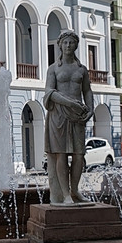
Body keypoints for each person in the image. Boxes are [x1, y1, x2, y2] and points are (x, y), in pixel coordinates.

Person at [44, 30, 94, 205]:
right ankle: (65, 194)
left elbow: (87, 91)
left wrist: (91, 108)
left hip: (78, 116)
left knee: (79, 154)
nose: (68, 46)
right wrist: (70, 103)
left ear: (76, 45)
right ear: (59, 45)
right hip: (59, 115)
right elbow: (50, 93)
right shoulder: (53, 69)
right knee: (61, 155)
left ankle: (75, 190)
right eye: (65, 43)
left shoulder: (82, 70)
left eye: (71, 43)